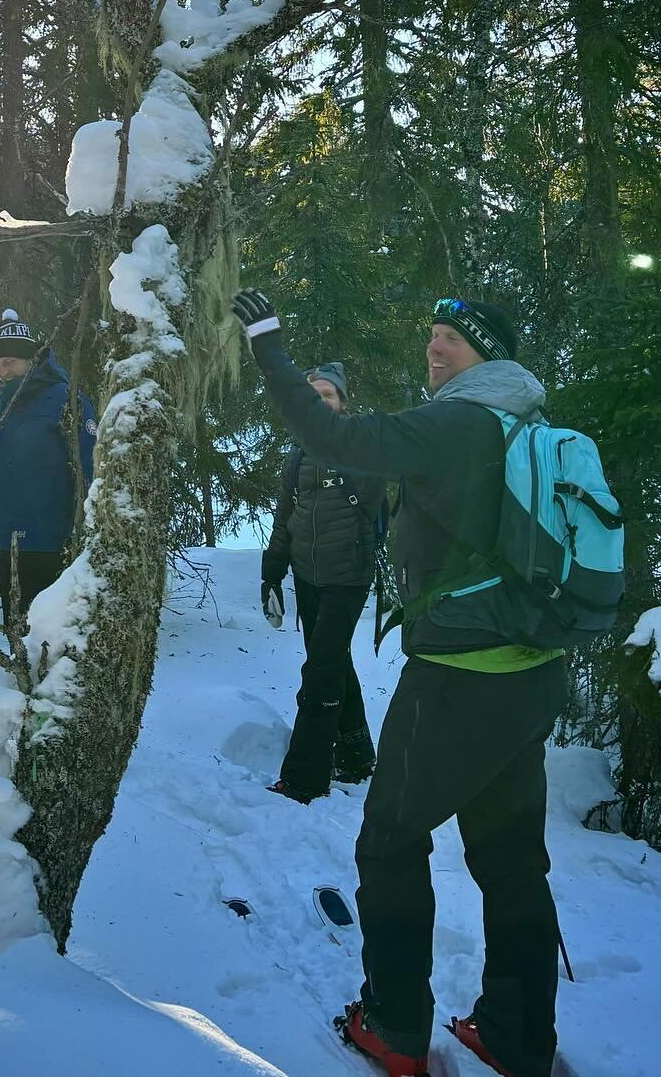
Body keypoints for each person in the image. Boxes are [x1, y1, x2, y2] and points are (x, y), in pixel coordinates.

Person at [232, 287, 566, 1077]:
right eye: (433, 335)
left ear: (490, 357)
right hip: (529, 678)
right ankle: (517, 1035)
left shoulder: (462, 421)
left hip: (457, 680)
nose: (435, 349)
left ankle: (394, 1027)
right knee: (513, 860)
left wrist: (270, 350)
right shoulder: (531, 424)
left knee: (389, 841)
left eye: (454, 339)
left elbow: (331, 434)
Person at [261, 360, 378, 800]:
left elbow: (374, 495)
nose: (319, 404)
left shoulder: (359, 447)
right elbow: (285, 517)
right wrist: (272, 568)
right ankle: (356, 755)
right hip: (308, 575)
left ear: (342, 403)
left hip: (347, 576)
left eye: (327, 396)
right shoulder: (297, 455)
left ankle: (305, 777)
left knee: (321, 670)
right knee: (332, 661)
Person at [0, 308, 96, 630]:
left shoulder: (65, 396)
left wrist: (89, 525)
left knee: (52, 635)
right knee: (17, 633)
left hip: (52, 537)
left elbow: (91, 460)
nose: (2, 371)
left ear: (30, 359)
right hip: (6, 536)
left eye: (10, 362)